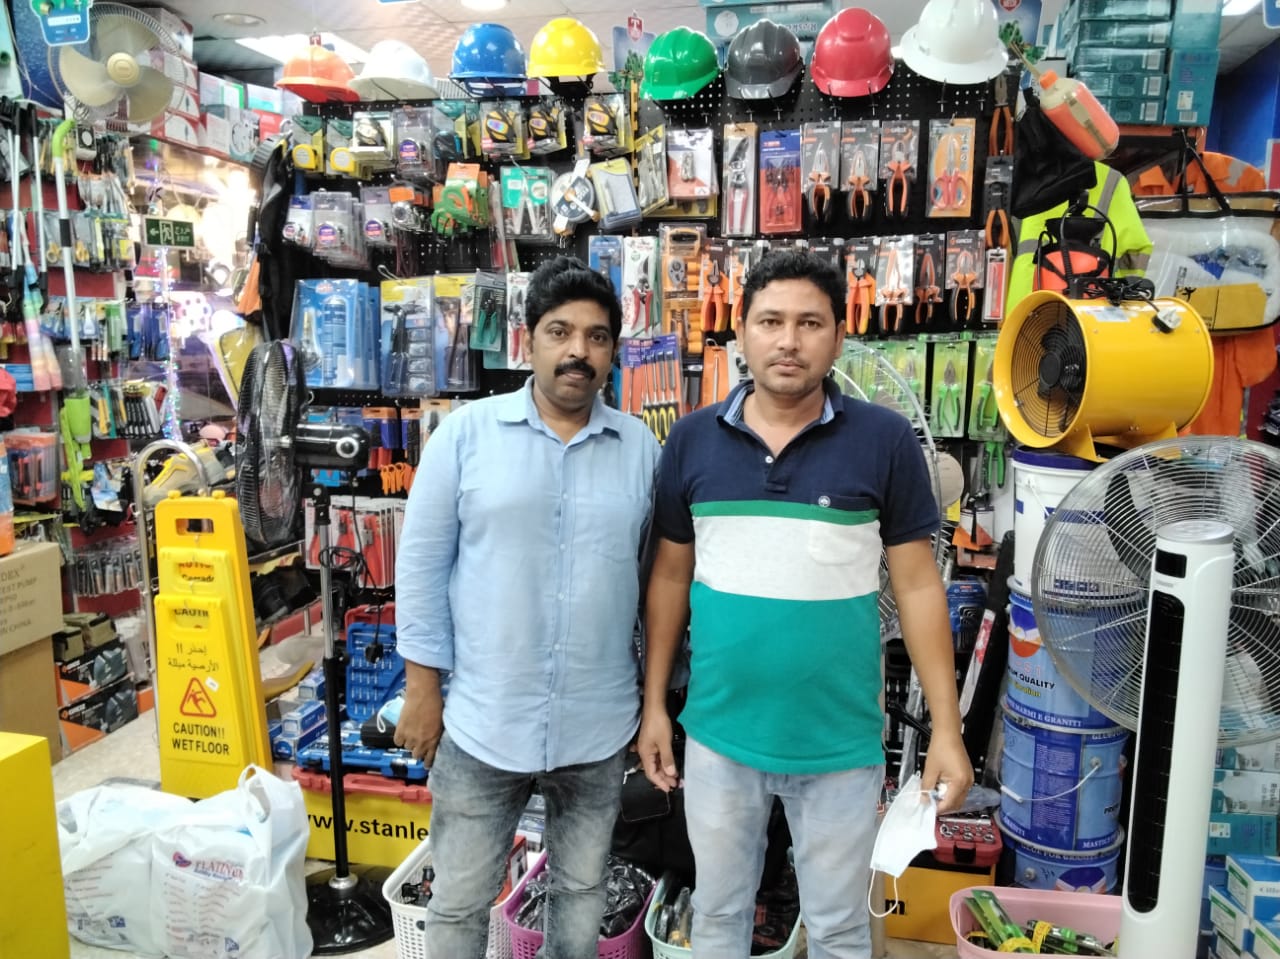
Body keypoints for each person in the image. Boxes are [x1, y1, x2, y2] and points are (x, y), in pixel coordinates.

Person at [636, 250, 973, 959]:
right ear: (740, 333)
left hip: (840, 743)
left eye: (810, 323)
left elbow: (918, 586)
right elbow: (669, 578)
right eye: (771, 321)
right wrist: (654, 705)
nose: (789, 340)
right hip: (720, 736)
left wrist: (947, 728)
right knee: (718, 916)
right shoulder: (692, 441)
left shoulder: (884, 441)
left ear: (840, 337)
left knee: (840, 929)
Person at [394, 255, 661, 959]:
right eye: (560, 332)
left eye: (597, 337)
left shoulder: (641, 449)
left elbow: (656, 584)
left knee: (581, 892)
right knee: (459, 900)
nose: (579, 351)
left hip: (598, 723)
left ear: (612, 351)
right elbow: (419, 567)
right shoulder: (465, 435)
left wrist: (657, 701)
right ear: (529, 340)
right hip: (484, 720)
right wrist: (422, 687)